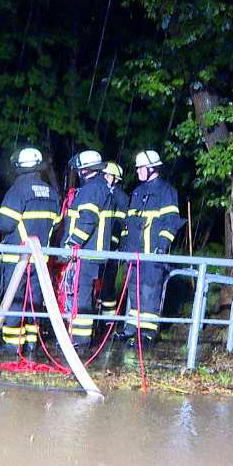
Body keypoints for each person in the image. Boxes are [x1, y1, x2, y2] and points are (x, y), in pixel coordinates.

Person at [0, 147, 61, 355]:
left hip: (16, 258)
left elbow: (4, 223)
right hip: (40, 260)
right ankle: (32, 343)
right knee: (34, 301)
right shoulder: (50, 192)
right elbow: (56, 223)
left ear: (19, 167)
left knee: (14, 300)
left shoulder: (18, 190)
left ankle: (12, 344)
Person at [119, 150, 183, 346]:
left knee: (149, 292)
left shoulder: (166, 192)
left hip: (153, 253)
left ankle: (147, 333)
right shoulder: (138, 192)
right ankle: (131, 328)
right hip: (134, 254)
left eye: (141, 168)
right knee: (134, 290)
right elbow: (129, 222)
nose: (137, 171)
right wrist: (124, 245)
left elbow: (171, 221)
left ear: (152, 169)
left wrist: (162, 246)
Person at [61, 150, 116, 354]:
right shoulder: (99, 187)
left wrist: (72, 243)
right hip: (91, 252)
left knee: (81, 296)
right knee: (82, 295)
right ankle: (80, 337)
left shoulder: (92, 189)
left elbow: (87, 220)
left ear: (85, 169)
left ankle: (80, 341)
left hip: (87, 252)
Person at [98, 161, 129, 316]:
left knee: (108, 285)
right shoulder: (101, 193)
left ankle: (108, 321)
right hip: (98, 247)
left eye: (107, 175)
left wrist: (114, 244)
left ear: (115, 178)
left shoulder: (120, 198)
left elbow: (120, 224)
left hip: (111, 249)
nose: (104, 178)